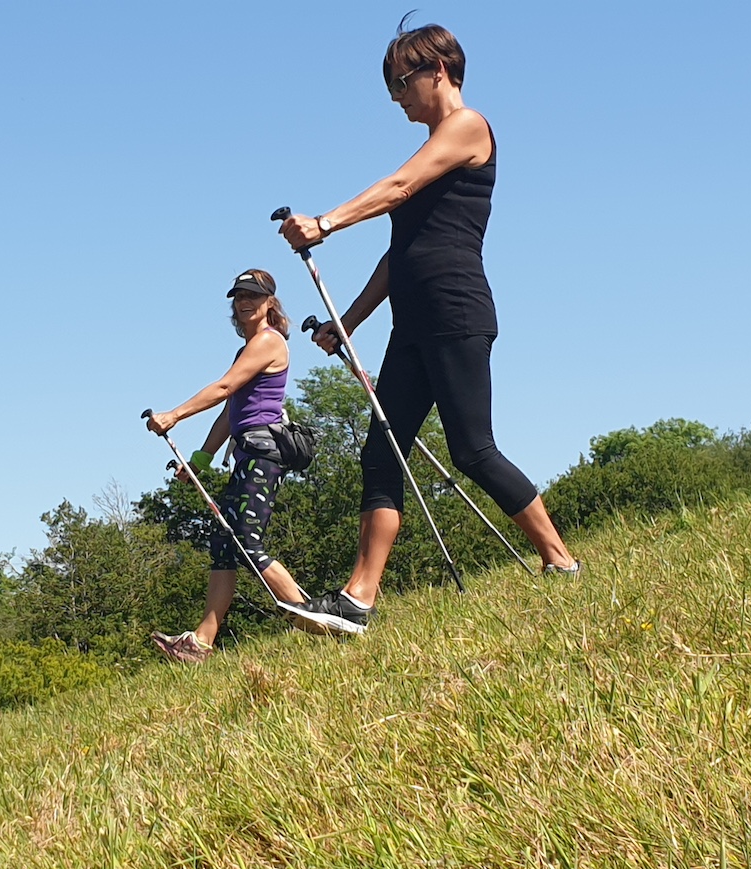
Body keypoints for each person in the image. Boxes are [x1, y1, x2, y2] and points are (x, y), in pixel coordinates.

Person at [278, 17, 579, 636]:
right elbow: (400, 254)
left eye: (400, 83)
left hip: (455, 309)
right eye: (391, 88)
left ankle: (559, 559)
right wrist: (348, 323)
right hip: (411, 320)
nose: (397, 98)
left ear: (437, 70)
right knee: (381, 452)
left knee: (472, 449)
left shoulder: (468, 128)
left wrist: (326, 223)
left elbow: (398, 185)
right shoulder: (429, 150)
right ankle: (358, 599)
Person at [144, 269, 307, 663]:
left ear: (270, 302)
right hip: (245, 452)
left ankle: (315, 619)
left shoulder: (269, 343)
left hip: (263, 454)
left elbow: (223, 389)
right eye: (238, 297)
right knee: (224, 543)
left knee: (246, 542)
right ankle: (201, 643)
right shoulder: (247, 350)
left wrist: (175, 415)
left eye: (253, 295)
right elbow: (229, 414)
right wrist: (200, 460)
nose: (244, 302)